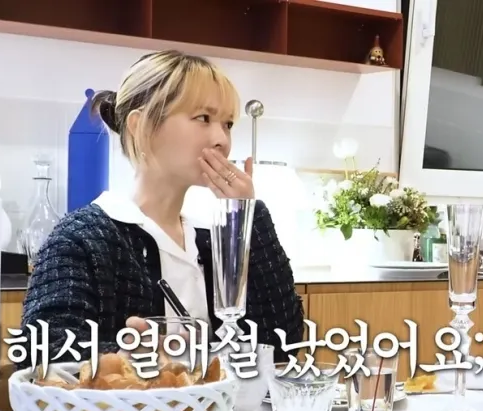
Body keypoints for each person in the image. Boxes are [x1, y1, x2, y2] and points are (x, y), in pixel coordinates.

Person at [18, 50, 304, 369]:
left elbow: (283, 344)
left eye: (227, 124)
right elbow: (39, 351)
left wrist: (247, 216)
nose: (222, 139)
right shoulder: (81, 238)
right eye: (203, 118)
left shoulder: (209, 240)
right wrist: (128, 357)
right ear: (141, 126)